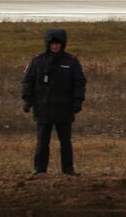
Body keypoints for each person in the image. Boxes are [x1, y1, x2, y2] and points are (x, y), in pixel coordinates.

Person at [21, 29, 86, 176]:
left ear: (62, 45)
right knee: (42, 142)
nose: (55, 47)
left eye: (58, 44)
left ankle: (68, 170)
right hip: (43, 108)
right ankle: (39, 169)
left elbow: (79, 82)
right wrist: (27, 100)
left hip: (65, 108)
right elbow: (27, 82)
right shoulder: (38, 61)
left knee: (65, 142)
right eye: (52, 44)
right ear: (48, 44)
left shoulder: (71, 61)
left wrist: (78, 100)